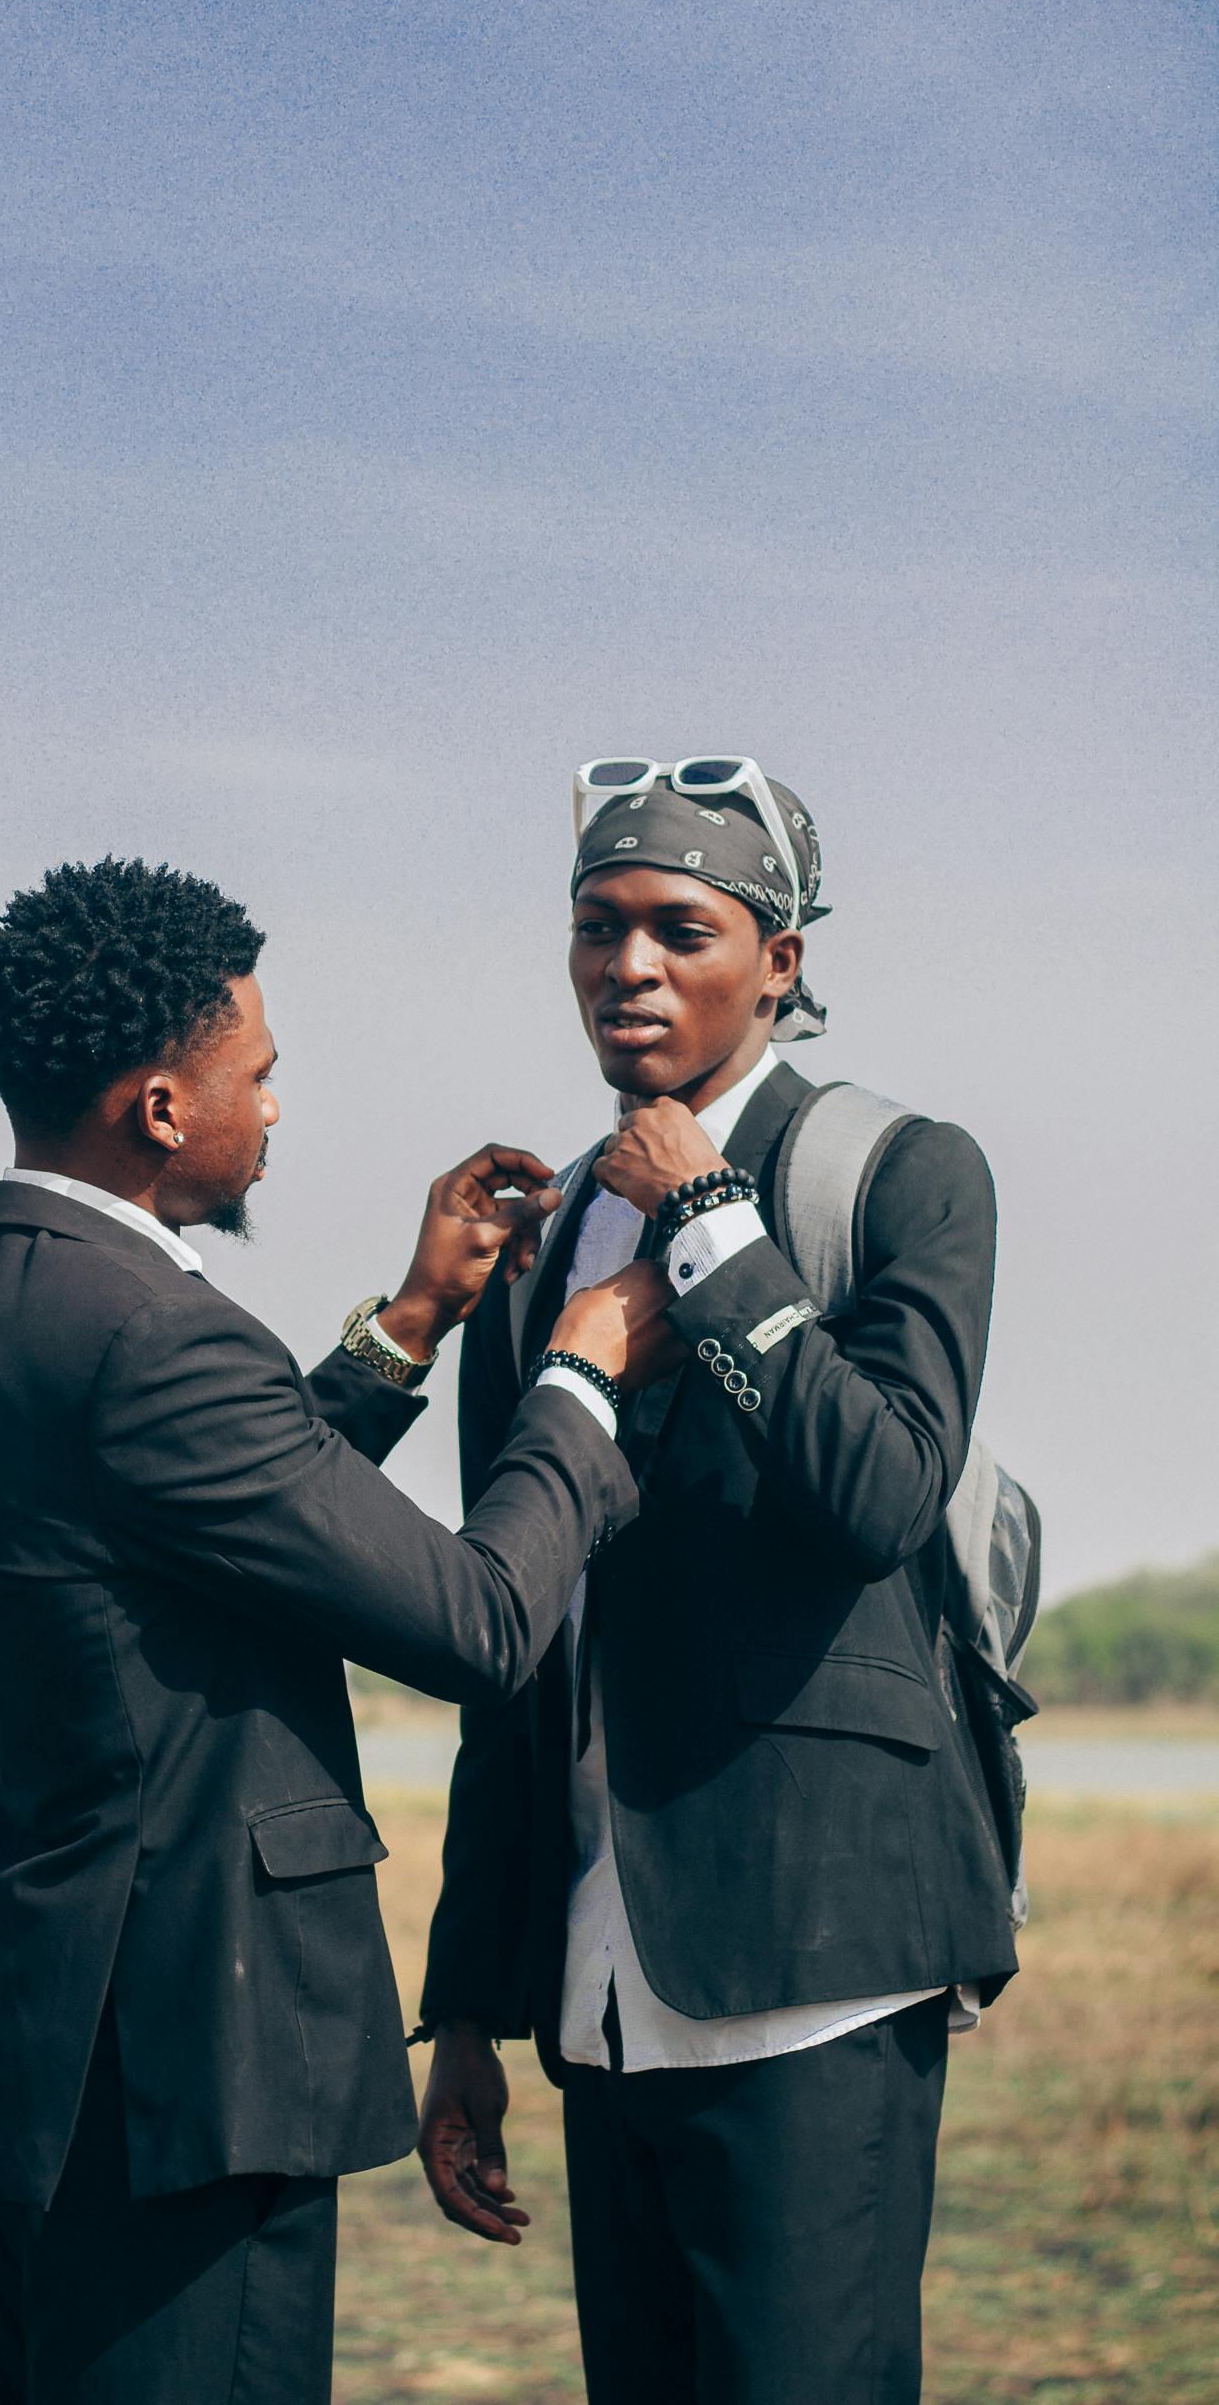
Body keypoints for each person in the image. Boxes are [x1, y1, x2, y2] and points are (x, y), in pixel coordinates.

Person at [0, 854, 678, 2405]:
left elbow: (208, 1526)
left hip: (30, 2036)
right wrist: (580, 1373)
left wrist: (412, 1324)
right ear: (164, 1106)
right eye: (261, 1072)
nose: (279, 1110)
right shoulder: (158, 1331)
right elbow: (480, 1619)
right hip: (184, 2064)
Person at [415, 762, 1020, 2405]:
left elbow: (883, 1490)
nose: (630, 966)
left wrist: (702, 1218)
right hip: (603, 1983)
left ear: (784, 960)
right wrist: (469, 2002)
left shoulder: (900, 1171)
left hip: (816, 1959)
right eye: (597, 929)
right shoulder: (540, 1243)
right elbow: (511, 1624)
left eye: (684, 929)